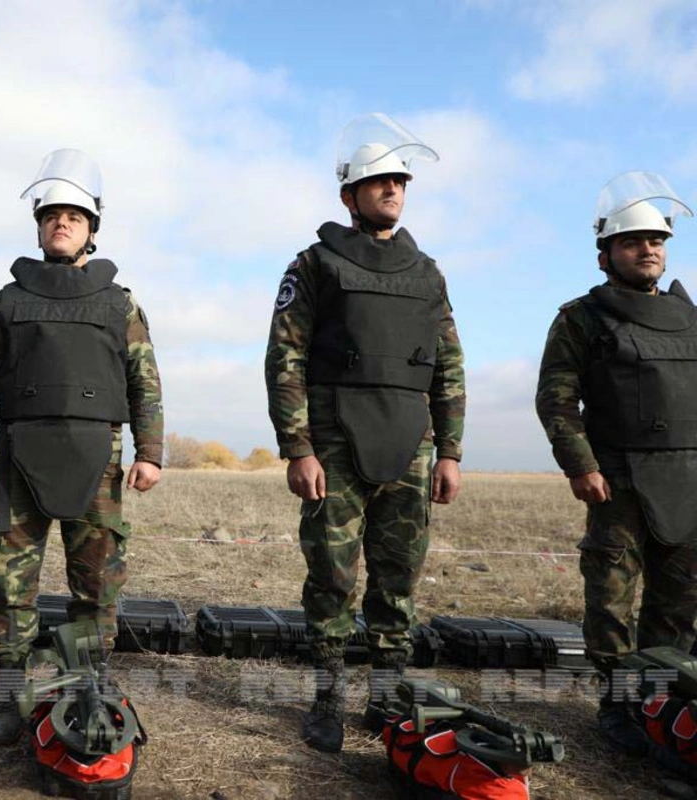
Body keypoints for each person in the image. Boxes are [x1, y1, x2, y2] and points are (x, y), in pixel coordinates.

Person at [264, 113, 465, 753]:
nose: (393, 189)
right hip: (335, 442)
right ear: (349, 194)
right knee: (331, 572)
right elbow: (285, 359)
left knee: (398, 573)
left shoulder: (427, 273)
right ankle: (327, 694)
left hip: (410, 443)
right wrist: (298, 447)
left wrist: (450, 451)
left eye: (400, 181)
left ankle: (385, 693)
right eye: (379, 181)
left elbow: (449, 365)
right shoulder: (315, 264)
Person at [0, 149, 164, 746]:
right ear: (39, 226)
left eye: (73, 216)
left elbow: (144, 379)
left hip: (98, 456)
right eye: (51, 215)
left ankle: (88, 679)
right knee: (8, 576)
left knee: (98, 578)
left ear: (91, 228)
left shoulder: (119, 302)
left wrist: (150, 451)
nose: (61, 223)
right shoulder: (8, 300)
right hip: (21, 456)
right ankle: (9, 688)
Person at [535, 170, 697, 754]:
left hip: (687, 479)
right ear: (605, 254)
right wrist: (581, 465)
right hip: (618, 481)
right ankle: (619, 706)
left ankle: (664, 703)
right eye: (633, 242)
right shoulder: (581, 318)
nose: (648, 250)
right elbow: (556, 398)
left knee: (678, 603)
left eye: (656, 241)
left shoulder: (691, 318)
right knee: (610, 600)